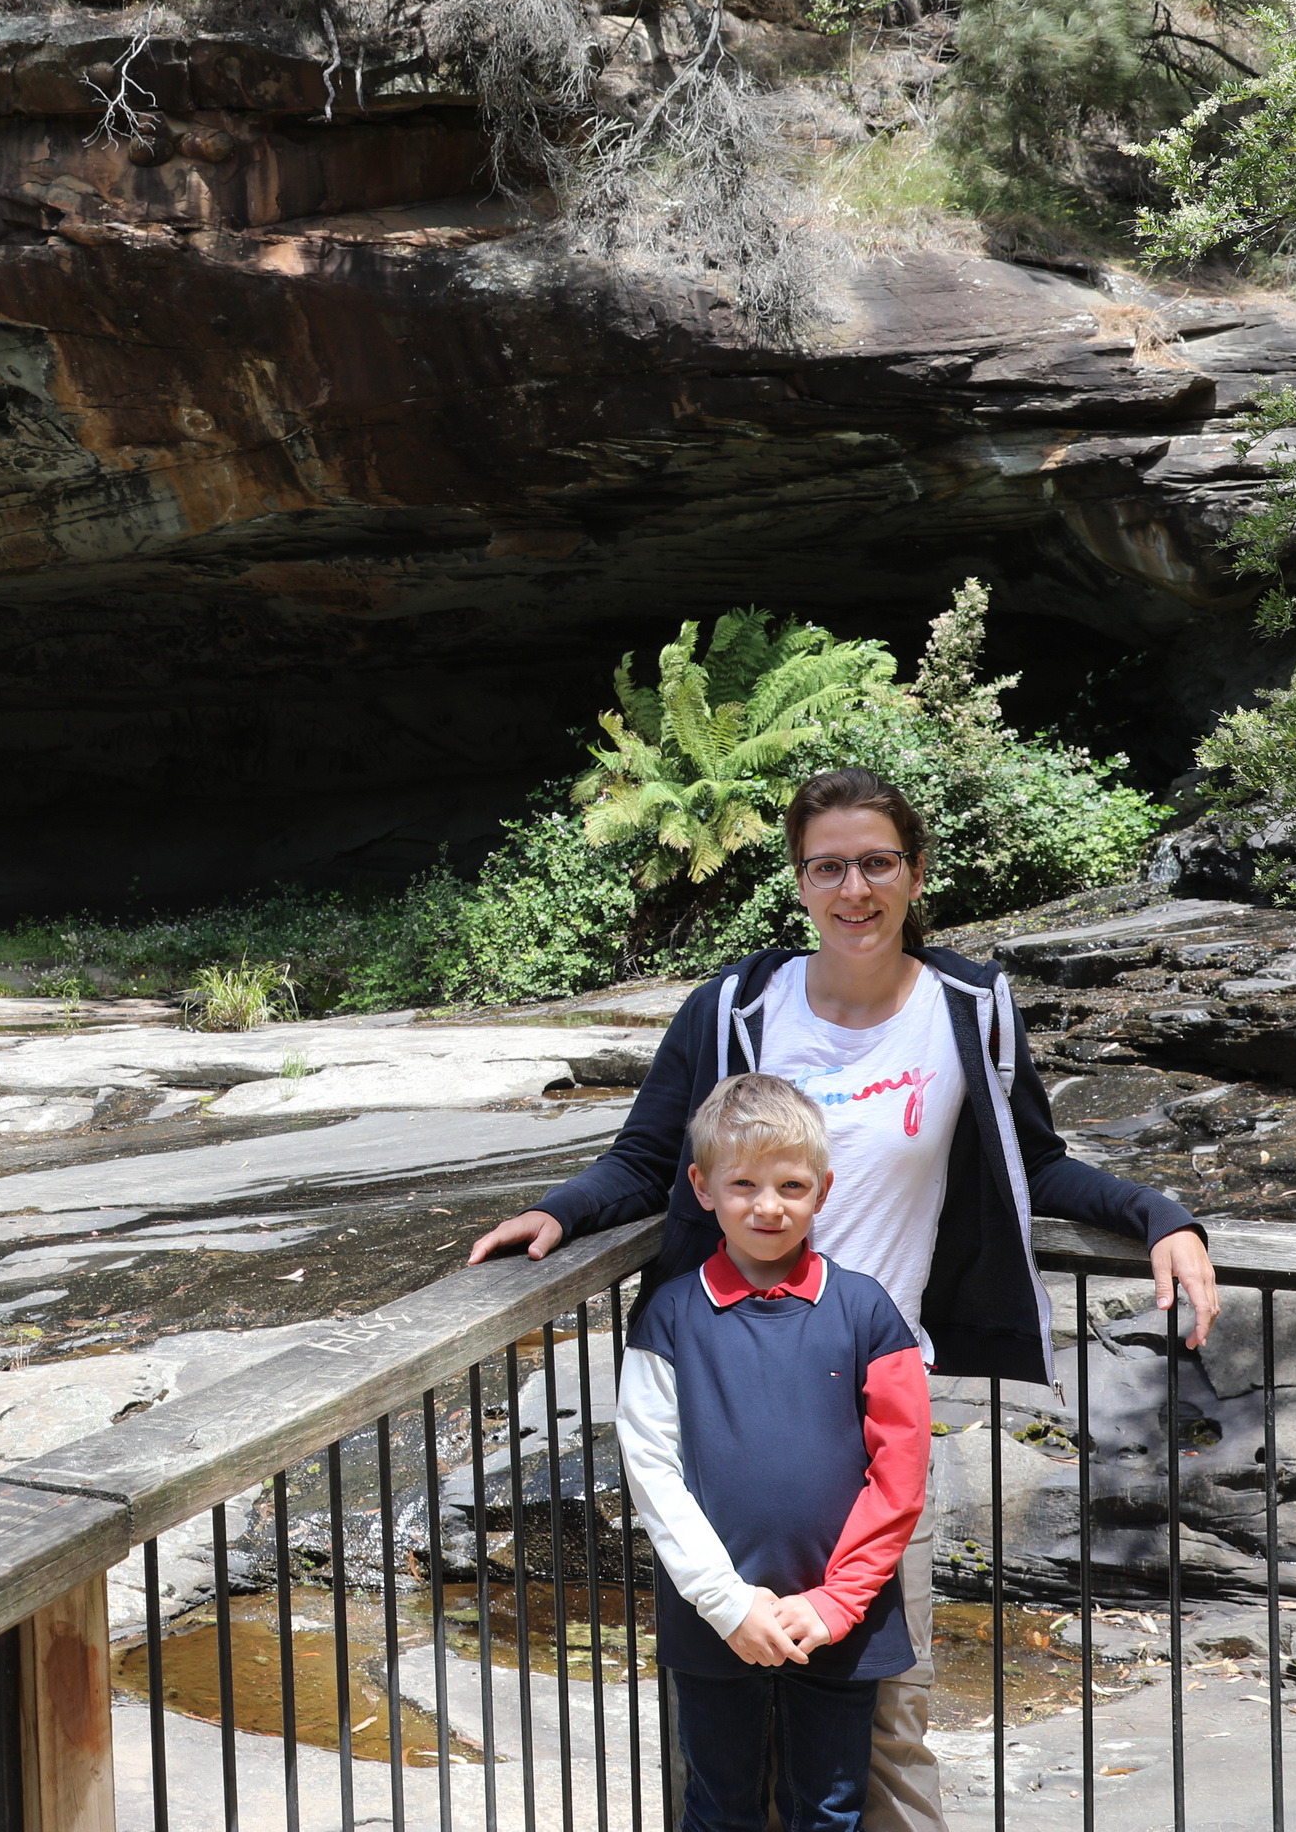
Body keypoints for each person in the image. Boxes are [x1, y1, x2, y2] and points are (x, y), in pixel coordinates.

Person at [469, 765, 1220, 1832]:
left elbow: (1032, 1166)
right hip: (727, 1392)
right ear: (800, 880)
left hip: (875, 1397)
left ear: (915, 873)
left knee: (883, 1715)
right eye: (828, 866)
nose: (853, 888)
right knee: (728, 1717)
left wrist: (1161, 1212)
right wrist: (559, 1214)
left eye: (876, 862)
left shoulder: (970, 1008)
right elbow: (648, 1158)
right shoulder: (734, 1007)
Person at [622, 1072, 928, 1832]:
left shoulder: (866, 1311)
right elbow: (652, 1470)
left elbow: (901, 1471)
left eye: (791, 1185)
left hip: (841, 1620)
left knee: (828, 1808)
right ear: (702, 1187)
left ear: (822, 1190)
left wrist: (836, 1602)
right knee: (720, 1807)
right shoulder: (669, 1316)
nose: (768, 1206)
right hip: (714, 1618)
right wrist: (728, 1604)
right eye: (744, 1184)